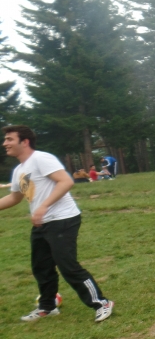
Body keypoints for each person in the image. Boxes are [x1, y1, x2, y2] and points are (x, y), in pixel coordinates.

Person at [0, 125, 114, 323]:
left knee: (67, 265)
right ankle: (47, 306)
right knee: (41, 266)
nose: (5, 143)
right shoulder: (19, 169)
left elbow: (66, 181)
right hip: (42, 223)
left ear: (24, 141)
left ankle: (102, 303)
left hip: (63, 219)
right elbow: (15, 197)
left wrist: (43, 206)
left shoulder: (41, 159)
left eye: (10, 139)